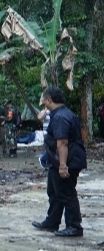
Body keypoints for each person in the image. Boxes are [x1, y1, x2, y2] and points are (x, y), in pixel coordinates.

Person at [32, 87, 87, 238]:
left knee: (66, 193)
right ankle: (52, 221)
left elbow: (62, 143)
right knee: (54, 191)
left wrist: (63, 166)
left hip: (67, 160)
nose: (44, 103)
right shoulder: (61, 114)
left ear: (49, 100)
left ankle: (74, 226)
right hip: (56, 161)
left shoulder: (61, 117)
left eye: (44, 100)